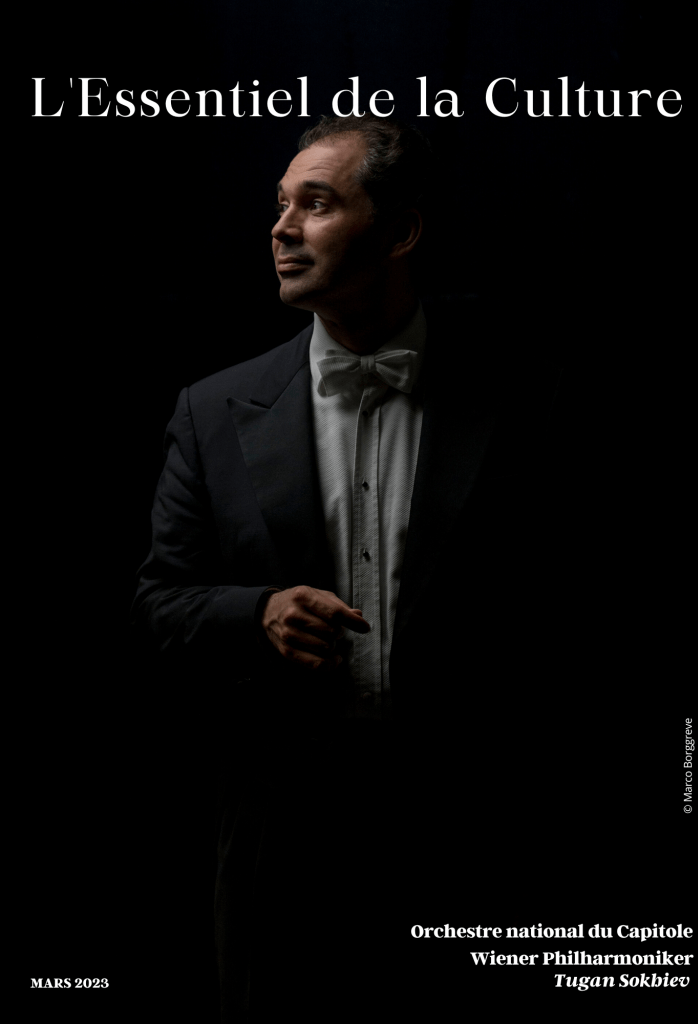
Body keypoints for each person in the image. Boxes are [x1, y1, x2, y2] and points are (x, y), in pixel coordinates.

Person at [132, 114, 581, 1020]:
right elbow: (160, 601)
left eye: (317, 203)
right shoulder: (212, 411)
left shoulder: (523, 399)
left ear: (401, 231)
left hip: (470, 828)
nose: (282, 228)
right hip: (279, 837)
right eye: (280, 205)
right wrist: (256, 611)